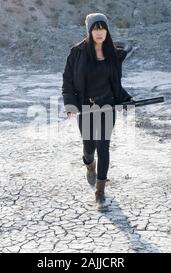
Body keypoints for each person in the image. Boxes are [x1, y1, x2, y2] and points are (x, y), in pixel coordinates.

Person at [62, 13, 134, 203]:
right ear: (89, 30)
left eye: (103, 28)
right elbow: (68, 81)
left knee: (104, 147)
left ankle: (100, 190)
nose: (100, 32)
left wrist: (126, 99)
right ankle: (89, 165)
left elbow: (115, 84)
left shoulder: (111, 54)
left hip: (107, 106)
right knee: (89, 147)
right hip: (86, 107)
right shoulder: (77, 53)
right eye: (96, 28)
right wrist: (70, 104)